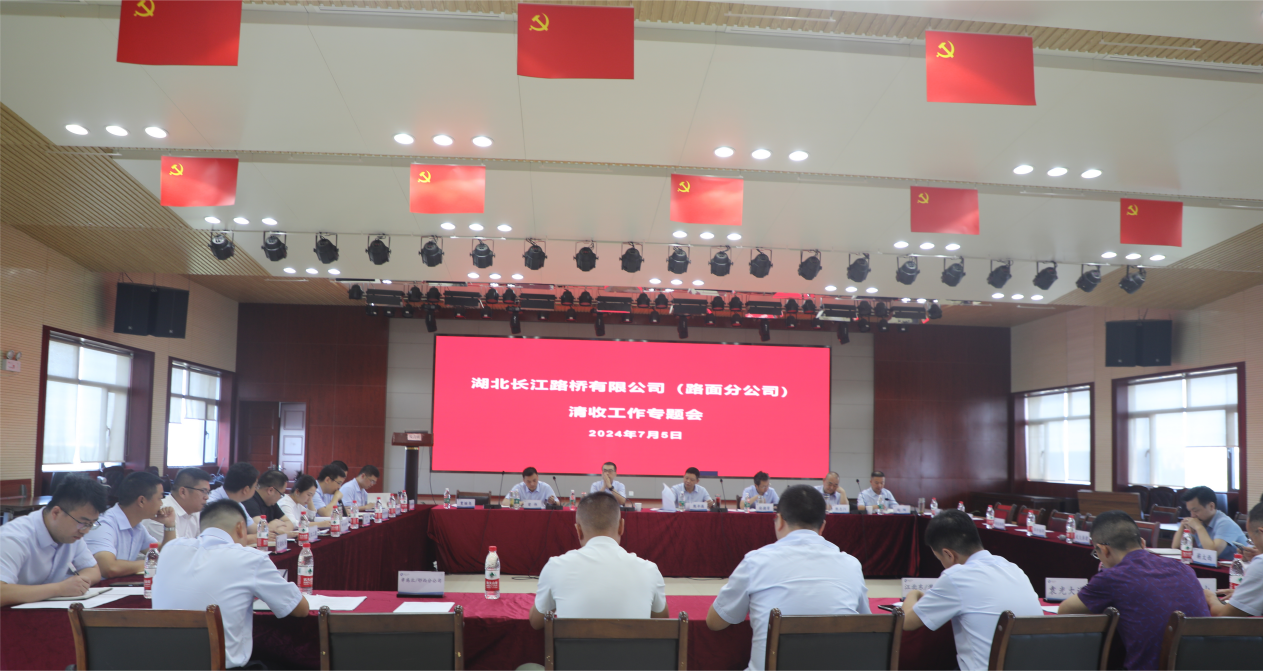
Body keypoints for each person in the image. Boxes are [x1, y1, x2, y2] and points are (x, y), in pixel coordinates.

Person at [707, 485, 868, 671]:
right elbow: (866, 626)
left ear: (780, 520)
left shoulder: (756, 561)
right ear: (822, 527)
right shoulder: (852, 565)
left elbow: (715, 622)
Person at [153, 499, 309, 669]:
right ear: (240, 527)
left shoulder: (169, 549)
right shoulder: (250, 558)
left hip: (164, 664)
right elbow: (299, 609)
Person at [1059, 510, 1209, 671]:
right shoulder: (1183, 568)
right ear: (1142, 543)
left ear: (1104, 549)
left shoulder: (1113, 577)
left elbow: (1065, 611)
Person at [902, 510, 1042, 671]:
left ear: (948, 554)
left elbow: (906, 621)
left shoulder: (956, 576)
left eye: (940, 559)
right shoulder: (1013, 568)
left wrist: (913, 593)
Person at [529, 491, 666, 629]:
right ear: (621, 527)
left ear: (578, 531)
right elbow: (663, 621)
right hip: (633, 644)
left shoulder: (555, 567)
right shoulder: (649, 570)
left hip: (575, 644)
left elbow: (536, 622)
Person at [0, 474, 106, 607]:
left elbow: (93, 570)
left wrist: (75, 584)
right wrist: (59, 589)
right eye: (83, 523)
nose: (86, 531)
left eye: (91, 524)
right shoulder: (14, 538)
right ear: (56, 513)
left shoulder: (72, 534)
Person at [85, 472, 175, 578]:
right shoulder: (104, 524)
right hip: (97, 586)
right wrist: (151, 562)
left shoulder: (137, 527)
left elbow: (164, 555)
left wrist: (169, 525)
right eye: (159, 498)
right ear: (141, 501)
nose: (161, 504)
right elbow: (109, 568)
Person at [1206, 502, 1263, 617]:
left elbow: (1225, 617)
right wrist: (1243, 595)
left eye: (1251, 540)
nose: (1253, 545)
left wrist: (1210, 597)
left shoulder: (1260, 563)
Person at [1171, 485, 1246, 560]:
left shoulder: (1225, 523)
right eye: (1190, 511)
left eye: (1195, 511)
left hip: (1236, 566)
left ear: (1211, 506)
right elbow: (1176, 548)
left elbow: (1212, 553)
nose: (1192, 515)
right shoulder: (1200, 521)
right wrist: (1183, 525)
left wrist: (1199, 528)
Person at [143, 467, 211, 542]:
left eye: (208, 492)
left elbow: (202, 543)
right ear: (183, 492)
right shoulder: (162, 512)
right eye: (203, 491)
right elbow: (172, 548)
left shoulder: (195, 512)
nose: (207, 497)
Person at [206, 463, 259, 544]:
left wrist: (271, 531)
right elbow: (221, 540)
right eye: (256, 486)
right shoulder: (212, 503)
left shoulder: (237, 503)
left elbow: (253, 529)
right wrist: (252, 538)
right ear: (246, 490)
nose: (256, 489)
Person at [242, 469, 295, 536]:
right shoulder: (249, 501)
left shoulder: (271, 502)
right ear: (270, 490)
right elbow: (260, 530)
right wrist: (275, 525)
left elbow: (289, 523)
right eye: (281, 494)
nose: (280, 497)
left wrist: (279, 531)